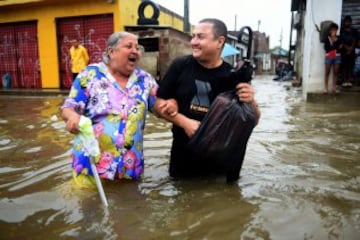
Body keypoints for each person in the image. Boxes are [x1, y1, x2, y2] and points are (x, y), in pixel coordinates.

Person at [61, 32, 176, 186]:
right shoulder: (90, 74)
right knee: (88, 206)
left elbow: (161, 108)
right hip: (91, 165)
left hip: (130, 167)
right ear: (111, 51)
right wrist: (73, 118)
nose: (135, 51)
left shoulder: (145, 80)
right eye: (129, 46)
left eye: (137, 47)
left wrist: (171, 103)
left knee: (129, 207)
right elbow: (69, 108)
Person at [154, 18, 261, 183]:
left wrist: (251, 101)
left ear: (219, 42)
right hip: (184, 159)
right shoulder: (180, 66)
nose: (193, 42)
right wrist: (185, 123)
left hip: (221, 162)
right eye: (193, 36)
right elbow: (158, 105)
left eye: (200, 37)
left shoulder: (233, 76)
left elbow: (252, 121)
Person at [323, 22, 342, 94]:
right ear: (330, 30)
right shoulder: (327, 39)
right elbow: (327, 48)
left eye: (335, 29)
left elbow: (340, 48)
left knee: (336, 72)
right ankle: (325, 88)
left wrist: (333, 46)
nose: (334, 31)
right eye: (332, 29)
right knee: (327, 72)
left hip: (337, 56)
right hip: (329, 56)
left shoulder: (339, 38)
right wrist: (334, 44)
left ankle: (334, 88)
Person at [339, 15, 358, 87]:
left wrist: (351, 48)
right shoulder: (342, 31)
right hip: (344, 51)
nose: (347, 23)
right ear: (344, 22)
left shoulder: (354, 31)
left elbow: (355, 39)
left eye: (349, 22)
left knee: (350, 65)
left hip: (352, 51)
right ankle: (344, 80)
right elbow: (341, 40)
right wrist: (347, 48)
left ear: (351, 22)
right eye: (346, 22)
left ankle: (349, 80)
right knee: (344, 65)